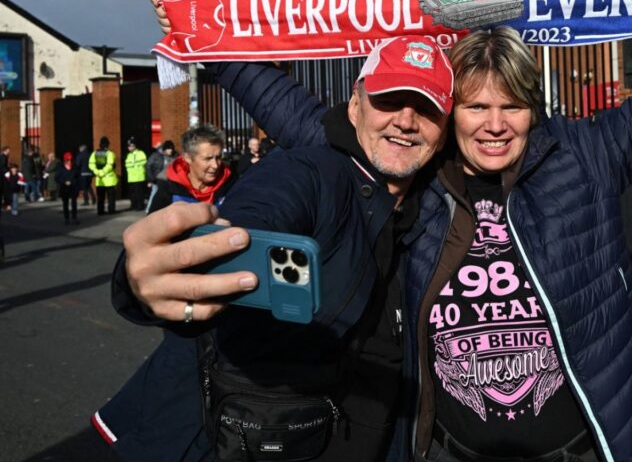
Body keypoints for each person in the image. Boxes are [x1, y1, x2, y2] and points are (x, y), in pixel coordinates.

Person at [111, 0, 632, 461]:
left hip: (582, 444)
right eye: (475, 106)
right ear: (448, 114)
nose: (495, 123)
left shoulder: (589, 154)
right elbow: (297, 114)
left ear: (535, 111)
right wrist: (199, 29)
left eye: (513, 106)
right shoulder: (410, 170)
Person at [95, 36, 454, 462]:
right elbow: (256, 218)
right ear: (356, 107)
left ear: (445, 128)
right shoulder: (312, 172)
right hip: (227, 436)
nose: (406, 120)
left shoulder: (434, 208)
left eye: (426, 107)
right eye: (388, 99)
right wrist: (165, 273)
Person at [148, 125, 233, 213]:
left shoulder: (230, 184)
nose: (215, 165)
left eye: (218, 157)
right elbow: (151, 223)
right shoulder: (170, 188)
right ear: (187, 158)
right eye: (208, 159)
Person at [145, 140, 177, 212]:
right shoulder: (157, 155)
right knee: (155, 194)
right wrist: (151, 179)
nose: (170, 151)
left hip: (170, 180)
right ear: (165, 149)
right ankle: (149, 211)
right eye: (168, 149)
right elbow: (148, 166)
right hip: (159, 178)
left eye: (171, 149)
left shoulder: (175, 156)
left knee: (165, 196)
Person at [55, 151, 80, 224]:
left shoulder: (75, 167)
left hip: (73, 187)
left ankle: (74, 218)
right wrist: (64, 181)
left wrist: (73, 182)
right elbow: (56, 178)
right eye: (68, 160)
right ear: (65, 160)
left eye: (71, 160)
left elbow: (78, 177)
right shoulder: (61, 168)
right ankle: (66, 218)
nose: (69, 162)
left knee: (74, 203)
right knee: (65, 204)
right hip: (64, 188)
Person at [123, 137, 148, 211]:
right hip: (131, 178)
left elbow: (143, 163)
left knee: (139, 193)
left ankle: (140, 206)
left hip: (139, 177)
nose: (129, 147)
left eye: (130, 146)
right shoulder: (129, 155)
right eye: (128, 146)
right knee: (132, 193)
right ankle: (133, 205)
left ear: (135, 146)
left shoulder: (141, 153)